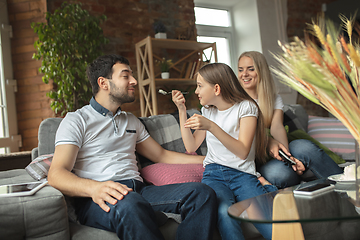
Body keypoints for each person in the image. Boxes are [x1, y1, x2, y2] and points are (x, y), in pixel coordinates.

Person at [47, 54, 217, 240]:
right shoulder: (76, 121)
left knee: (201, 193)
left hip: (139, 191)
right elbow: (56, 174)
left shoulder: (130, 121)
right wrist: (94, 188)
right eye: (126, 75)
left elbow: (161, 155)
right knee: (130, 204)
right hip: (100, 199)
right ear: (104, 83)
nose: (134, 81)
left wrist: (209, 159)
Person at [172, 62, 276, 240]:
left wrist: (212, 127)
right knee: (224, 213)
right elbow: (191, 146)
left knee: (268, 221)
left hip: (243, 174)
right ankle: (267, 189)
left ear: (217, 88)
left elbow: (243, 151)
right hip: (213, 175)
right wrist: (181, 110)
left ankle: (268, 188)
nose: (196, 91)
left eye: (199, 85)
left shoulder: (246, 107)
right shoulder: (207, 111)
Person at [237, 51, 343, 189]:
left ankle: (347, 186)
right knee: (280, 175)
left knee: (304, 146)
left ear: (261, 71)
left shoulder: (273, 99)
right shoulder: (235, 102)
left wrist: (288, 158)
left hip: (276, 153)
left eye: (251, 69)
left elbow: (277, 127)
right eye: (240, 70)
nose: (244, 74)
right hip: (256, 160)